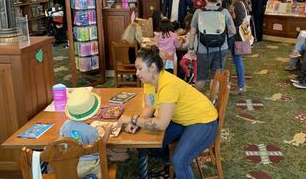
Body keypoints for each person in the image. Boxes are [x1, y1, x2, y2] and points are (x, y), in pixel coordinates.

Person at [115, 46, 218, 179]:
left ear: (152, 68)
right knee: (151, 144)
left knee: (180, 161)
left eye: (140, 68)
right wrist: (139, 122)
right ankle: (172, 167)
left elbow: (161, 124)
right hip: (183, 120)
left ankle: (177, 166)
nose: (136, 73)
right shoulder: (149, 81)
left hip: (204, 121)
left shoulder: (168, 85)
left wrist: (133, 119)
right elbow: (150, 106)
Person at [188, 0, 236, 91]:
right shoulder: (224, 12)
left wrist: (191, 49)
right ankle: (214, 100)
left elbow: (192, 33)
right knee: (216, 76)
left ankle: (197, 100)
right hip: (221, 48)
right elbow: (233, 31)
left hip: (203, 49)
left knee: (201, 76)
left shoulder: (198, 12)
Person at [60, 88, 112, 178]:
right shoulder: (91, 131)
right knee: (100, 167)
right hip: (89, 166)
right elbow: (101, 146)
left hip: (69, 165)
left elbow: (61, 138)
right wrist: (107, 132)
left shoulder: (65, 125)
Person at [229, 0, 250, 95]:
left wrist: (231, 14)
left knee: (237, 60)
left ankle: (241, 86)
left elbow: (237, 22)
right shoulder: (240, 4)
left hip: (237, 36)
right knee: (237, 60)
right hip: (240, 35)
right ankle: (241, 85)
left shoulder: (238, 5)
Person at [178, 14, 197, 83]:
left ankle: (188, 74)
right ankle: (194, 79)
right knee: (195, 66)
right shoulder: (195, 31)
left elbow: (186, 45)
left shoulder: (190, 33)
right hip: (196, 52)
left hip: (191, 52)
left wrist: (181, 43)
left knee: (181, 62)